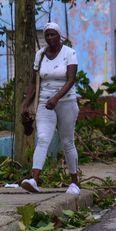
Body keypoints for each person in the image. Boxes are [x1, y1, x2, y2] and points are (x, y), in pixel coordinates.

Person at [20, 23, 81, 194]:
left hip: (66, 102)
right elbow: (33, 82)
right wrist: (26, 105)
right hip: (44, 103)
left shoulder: (70, 53)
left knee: (67, 141)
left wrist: (56, 98)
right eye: (47, 35)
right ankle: (34, 180)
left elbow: (70, 80)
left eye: (53, 34)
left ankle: (74, 183)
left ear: (59, 36)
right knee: (44, 138)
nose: (49, 38)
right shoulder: (40, 55)